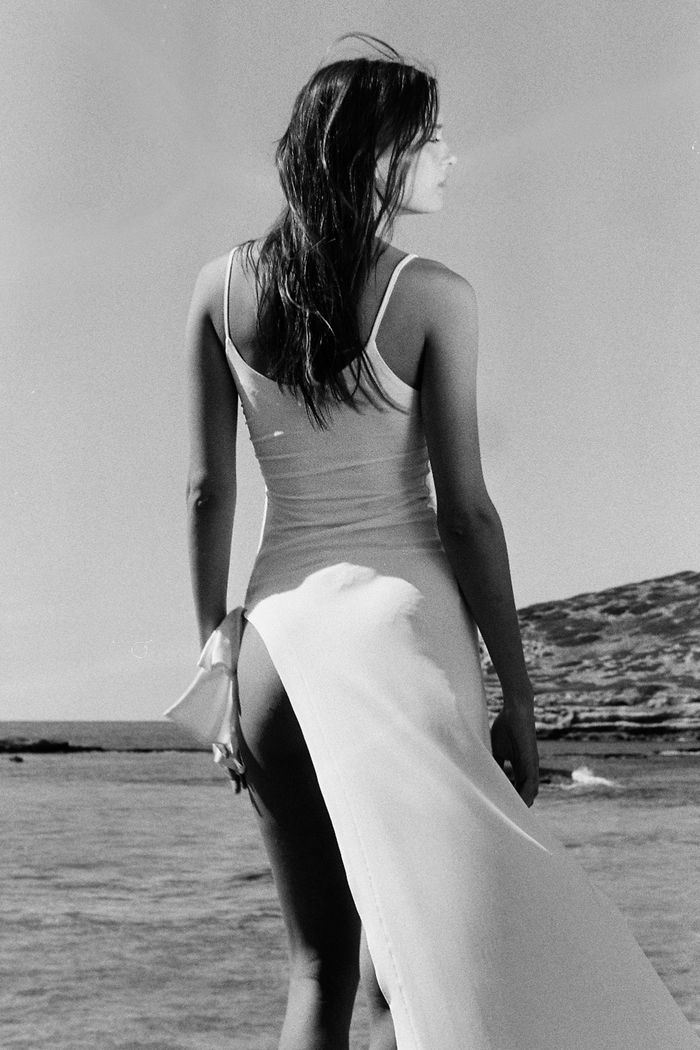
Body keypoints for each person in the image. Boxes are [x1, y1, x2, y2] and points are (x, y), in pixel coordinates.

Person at [174, 35, 700, 1050]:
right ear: (379, 157)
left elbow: (207, 492)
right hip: (401, 639)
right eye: (432, 139)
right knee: (409, 978)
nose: (451, 156)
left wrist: (216, 657)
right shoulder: (433, 295)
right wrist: (520, 693)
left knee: (317, 968)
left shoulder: (218, 288)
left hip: (274, 648)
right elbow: (467, 515)